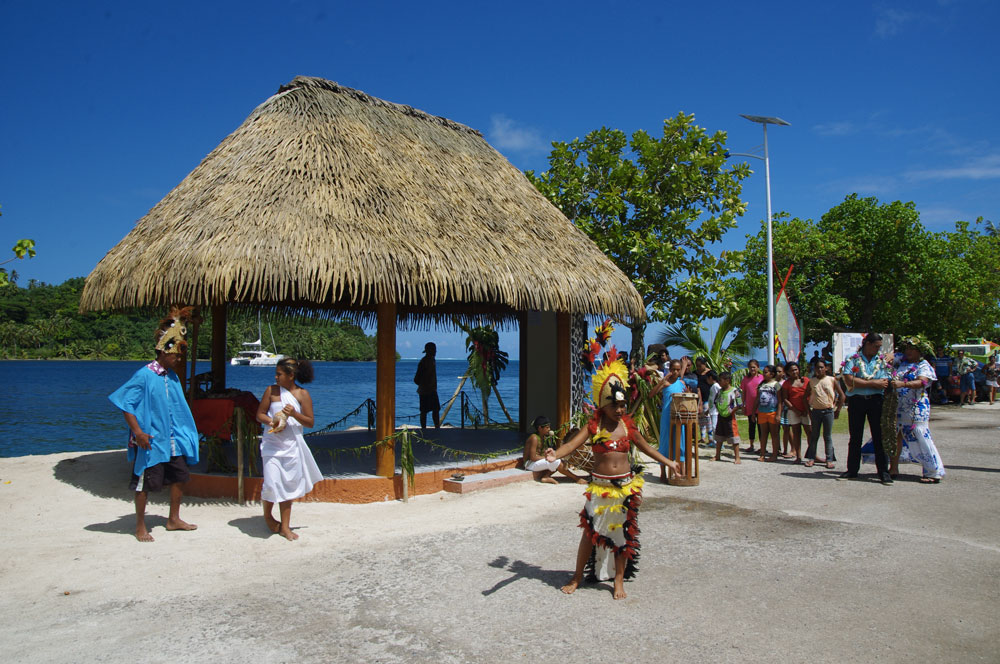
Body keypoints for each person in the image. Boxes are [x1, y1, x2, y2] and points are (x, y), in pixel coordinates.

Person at [545, 354, 682, 599]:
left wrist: (669, 462)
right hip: (599, 488)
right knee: (589, 533)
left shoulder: (628, 427)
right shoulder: (593, 427)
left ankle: (618, 581)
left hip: (625, 489)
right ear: (602, 406)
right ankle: (577, 576)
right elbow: (571, 446)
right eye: (614, 406)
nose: (619, 410)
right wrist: (555, 453)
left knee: (622, 535)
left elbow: (647, 448)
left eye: (622, 406)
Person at [108, 306, 199, 542]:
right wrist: (138, 432)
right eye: (176, 355)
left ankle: (173, 519)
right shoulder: (145, 374)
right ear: (164, 351)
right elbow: (126, 403)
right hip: (152, 439)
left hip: (173, 439)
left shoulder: (172, 376)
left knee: (179, 477)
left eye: (180, 355)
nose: (179, 359)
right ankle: (140, 526)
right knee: (144, 483)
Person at [255, 357, 323, 540]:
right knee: (271, 482)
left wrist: (294, 414)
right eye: (276, 374)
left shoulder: (302, 395)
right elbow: (259, 414)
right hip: (271, 444)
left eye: (279, 374)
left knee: (288, 484)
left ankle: (285, 526)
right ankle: (268, 516)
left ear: (291, 376)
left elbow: (310, 422)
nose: (276, 378)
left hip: (291, 445)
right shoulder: (271, 390)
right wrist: (272, 421)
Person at [889, 336, 946, 483]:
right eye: (907, 348)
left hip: (916, 407)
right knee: (896, 436)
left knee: (920, 435)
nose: (908, 351)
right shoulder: (901, 362)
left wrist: (903, 384)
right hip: (898, 406)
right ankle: (893, 468)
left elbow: (923, 381)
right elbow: (887, 357)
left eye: (912, 349)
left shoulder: (924, 365)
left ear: (919, 352)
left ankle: (933, 471)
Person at [841, 333, 893, 484]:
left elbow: (884, 381)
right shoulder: (853, 358)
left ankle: (883, 472)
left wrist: (871, 383)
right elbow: (849, 379)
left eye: (879, 347)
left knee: (879, 436)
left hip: (876, 401)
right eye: (876, 346)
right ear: (867, 344)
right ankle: (852, 470)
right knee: (855, 436)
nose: (878, 349)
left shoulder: (882, 360)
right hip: (857, 400)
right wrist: (872, 384)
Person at [521, 415, 587, 484]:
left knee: (558, 459)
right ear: (540, 428)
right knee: (556, 461)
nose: (549, 429)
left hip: (536, 462)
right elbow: (533, 457)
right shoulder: (534, 438)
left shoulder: (543, 437)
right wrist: (547, 457)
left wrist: (550, 454)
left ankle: (546, 477)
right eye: (547, 427)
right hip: (529, 464)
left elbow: (543, 453)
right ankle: (576, 478)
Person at [803, 360, 844, 468]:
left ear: (826, 368)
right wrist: (809, 411)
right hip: (816, 411)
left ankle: (829, 459)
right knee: (814, 436)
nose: (819, 370)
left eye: (822, 367)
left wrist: (838, 410)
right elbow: (805, 397)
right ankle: (811, 458)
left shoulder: (831, 380)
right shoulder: (812, 381)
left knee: (827, 436)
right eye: (817, 368)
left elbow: (842, 396)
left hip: (828, 411)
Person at [653, 358, 688, 481]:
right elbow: (651, 394)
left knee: (681, 443)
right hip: (667, 416)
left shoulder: (681, 384)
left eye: (678, 370)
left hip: (679, 417)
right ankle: (663, 472)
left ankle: (682, 471)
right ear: (669, 369)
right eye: (673, 370)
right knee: (665, 443)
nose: (675, 372)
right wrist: (662, 382)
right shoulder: (665, 383)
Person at [779, 362, 810, 463]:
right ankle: (798, 456)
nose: (794, 372)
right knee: (796, 433)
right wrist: (795, 410)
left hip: (806, 410)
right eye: (792, 370)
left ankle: (812, 456)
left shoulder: (806, 380)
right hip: (793, 411)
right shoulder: (786, 384)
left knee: (810, 433)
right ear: (788, 372)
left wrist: (806, 410)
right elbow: (785, 399)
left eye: (796, 369)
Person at [712, 372, 742, 464]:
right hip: (721, 416)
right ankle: (717, 455)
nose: (719, 382)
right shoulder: (720, 391)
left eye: (720, 380)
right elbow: (715, 401)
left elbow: (739, 403)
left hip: (730, 417)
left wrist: (732, 411)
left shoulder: (734, 391)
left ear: (727, 381)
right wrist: (720, 410)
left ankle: (737, 457)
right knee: (719, 436)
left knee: (733, 437)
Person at [754, 365, 781, 462]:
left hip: (772, 412)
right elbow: (757, 398)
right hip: (762, 412)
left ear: (772, 374)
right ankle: (762, 454)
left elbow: (780, 400)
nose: (763, 374)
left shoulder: (776, 384)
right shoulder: (761, 384)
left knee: (774, 434)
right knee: (763, 434)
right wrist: (754, 412)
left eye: (766, 372)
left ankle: (774, 454)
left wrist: (778, 414)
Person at [414, 342, 440, 432]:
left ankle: (437, 427)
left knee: (435, 409)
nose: (435, 352)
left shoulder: (432, 360)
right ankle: (424, 429)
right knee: (424, 411)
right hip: (425, 390)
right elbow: (416, 379)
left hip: (432, 389)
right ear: (429, 351)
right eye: (433, 350)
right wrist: (425, 384)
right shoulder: (423, 362)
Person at [740, 360, 764, 454]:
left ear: (758, 367)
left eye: (754, 367)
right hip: (750, 406)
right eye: (751, 367)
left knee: (761, 427)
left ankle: (762, 446)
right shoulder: (745, 379)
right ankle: (751, 445)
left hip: (760, 406)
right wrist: (743, 405)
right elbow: (743, 393)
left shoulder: (762, 378)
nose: (752, 369)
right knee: (751, 425)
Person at [775, 364, 793, 458]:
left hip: (784, 408)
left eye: (779, 371)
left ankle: (791, 449)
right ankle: (778, 448)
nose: (777, 373)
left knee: (787, 429)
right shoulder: (773, 383)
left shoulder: (784, 383)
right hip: (775, 408)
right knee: (776, 430)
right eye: (776, 371)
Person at [695, 357, 713, 446]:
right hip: (699, 398)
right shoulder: (695, 373)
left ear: (704, 364)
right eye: (697, 366)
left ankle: (710, 438)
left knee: (708, 418)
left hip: (708, 398)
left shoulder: (710, 373)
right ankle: (702, 437)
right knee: (701, 419)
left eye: (700, 366)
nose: (698, 368)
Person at [705, 371, 721, 446]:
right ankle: (715, 441)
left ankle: (718, 442)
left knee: (715, 426)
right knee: (713, 426)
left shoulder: (716, 386)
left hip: (715, 411)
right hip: (712, 410)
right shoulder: (713, 386)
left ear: (710, 378)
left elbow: (720, 394)